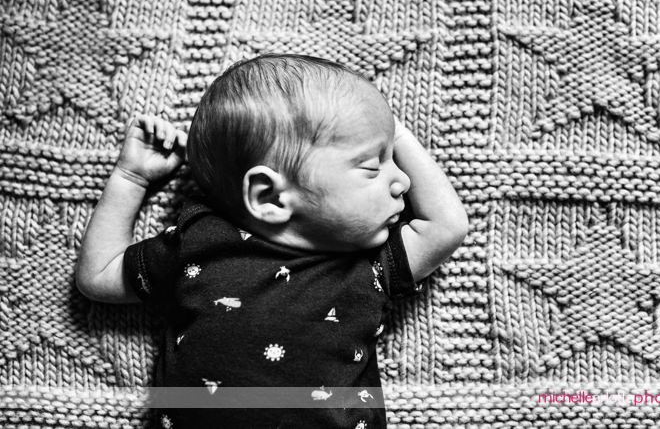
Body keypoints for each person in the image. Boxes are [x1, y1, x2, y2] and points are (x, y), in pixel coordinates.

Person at [76, 54, 468, 428]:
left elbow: (445, 227)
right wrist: (132, 180)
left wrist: (393, 130)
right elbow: (99, 275)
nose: (403, 181)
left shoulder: (368, 266)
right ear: (269, 197)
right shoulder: (199, 244)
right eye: (372, 166)